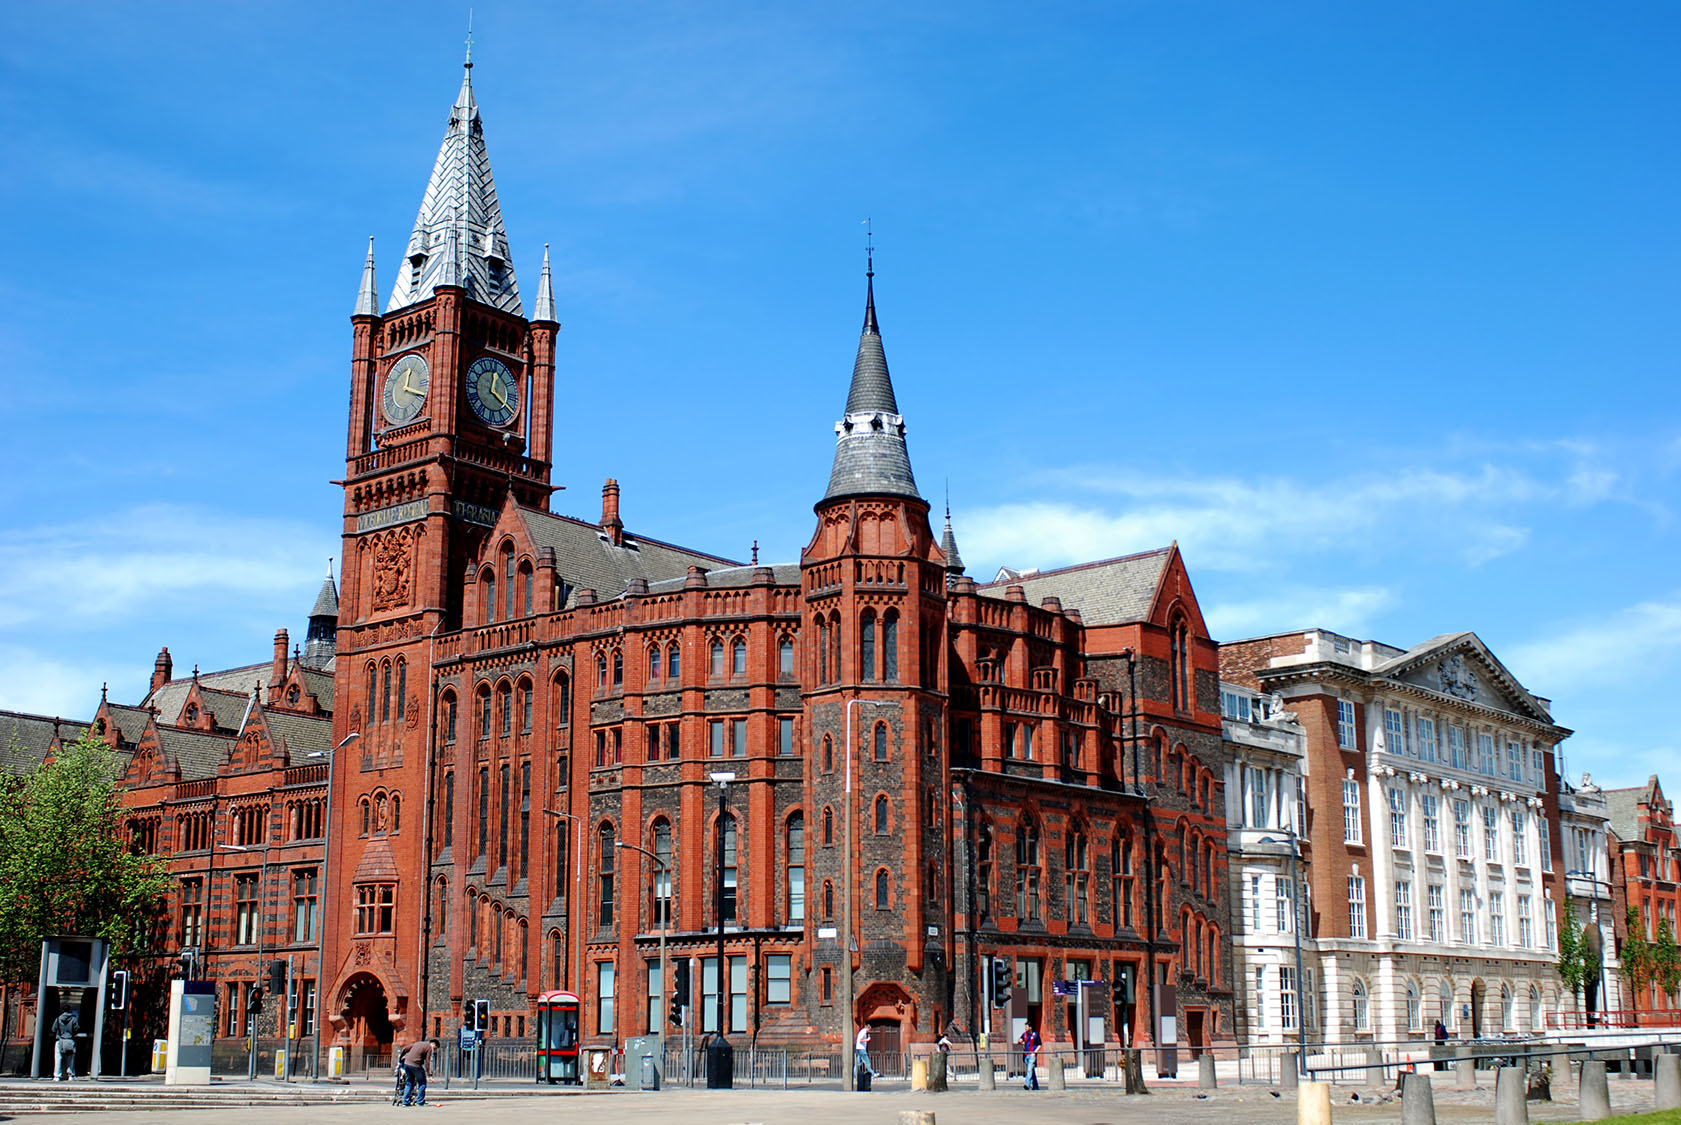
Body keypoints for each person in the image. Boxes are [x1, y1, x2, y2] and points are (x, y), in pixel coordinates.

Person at [399, 1036, 438, 1107]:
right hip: (416, 1065)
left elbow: (405, 1049)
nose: (434, 1050)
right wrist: (429, 1074)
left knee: (409, 1082)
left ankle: (405, 1101)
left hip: (407, 1063)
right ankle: (420, 1101)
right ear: (434, 1045)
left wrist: (401, 1059)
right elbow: (428, 1061)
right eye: (435, 1049)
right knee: (422, 1083)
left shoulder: (418, 1043)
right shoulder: (429, 1047)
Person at [52, 1009, 79, 1081]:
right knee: (70, 1059)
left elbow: (53, 1029)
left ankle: (57, 1076)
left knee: (58, 1059)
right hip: (70, 1040)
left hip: (59, 1040)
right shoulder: (73, 1019)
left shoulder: (58, 1019)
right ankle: (71, 1075)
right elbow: (76, 1029)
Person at [1020, 1024, 1041, 1091]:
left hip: (1032, 1055)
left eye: (1026, 1027)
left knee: (1029, 1070)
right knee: (1032, 1071)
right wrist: (1020, 1041)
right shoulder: (1024, 1034)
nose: (1025, 1028)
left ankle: (1027, 1084)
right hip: (1026, 1055)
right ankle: (1035, 1086)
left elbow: (1039, 1044)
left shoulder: (1036, 1035)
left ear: (1030, 1027)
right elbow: (1021, 1040)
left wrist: (1035, 1052)